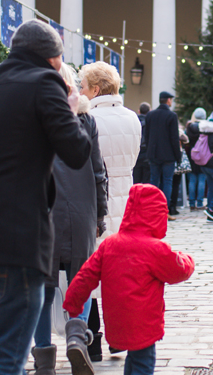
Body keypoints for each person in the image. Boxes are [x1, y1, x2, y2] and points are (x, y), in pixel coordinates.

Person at [0, 20, 91, 375]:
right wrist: (72, 109)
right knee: (5, 359)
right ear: (55, 59)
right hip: (11, 242)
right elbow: (76, 152)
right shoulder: (45, 83)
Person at [63, 184, 195, 375]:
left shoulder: (109, 244)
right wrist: (187, 258)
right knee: (143, 363)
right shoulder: (155, 249)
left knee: (134, 360)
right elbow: (179, 270)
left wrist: (73, 304)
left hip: (116, 321)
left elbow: (85, 276)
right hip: (144, 324)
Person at [32, 64, 108, 375]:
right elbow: (97, 171)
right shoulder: (86, 120)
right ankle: (77, 338)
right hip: (81, 209)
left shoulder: (30, 119)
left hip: (42, 211)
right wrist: (100, 213)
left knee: (41, 287)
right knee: (82, 282)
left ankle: (44, 359)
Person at [81, 61, 141, 361]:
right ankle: (119, 338)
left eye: (82, 86)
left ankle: (93, 341)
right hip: (126, 197)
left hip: (97, 199)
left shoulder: (88, 118)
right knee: (119, 272)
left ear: (94, 89)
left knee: (92, 270)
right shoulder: (132, 118)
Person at [142, 91, 181, 219]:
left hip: (153, 154)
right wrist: (178, 156)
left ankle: (152, 210)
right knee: (167, 182)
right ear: (168, 100)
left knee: (154, 181)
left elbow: (146, 136)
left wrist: (149, 151)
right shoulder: (171, 116)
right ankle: (164, 211)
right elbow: (174, 138)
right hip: (168, 155)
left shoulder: (150, 115)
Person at [187, 109, 213, 217]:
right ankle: (212, 208)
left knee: (212, 187)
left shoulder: (204, 131)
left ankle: (210, 212)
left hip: (205, 164)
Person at [185, 108, 208, 209]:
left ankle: (191, 203)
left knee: (192, 180)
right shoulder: (205, 128)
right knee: (202, 180)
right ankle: (199, 203)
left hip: (191, 156)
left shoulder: (188, 128)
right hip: (202, 156)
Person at [133, 103, 151, 185]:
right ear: (149, 111)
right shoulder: (151, 123)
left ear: (139, 111)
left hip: (135, 152)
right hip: (147, 152)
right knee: (147, 180)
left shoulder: (133, 121)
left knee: (135, 179)